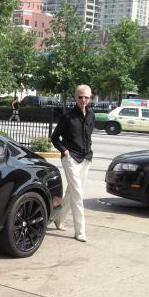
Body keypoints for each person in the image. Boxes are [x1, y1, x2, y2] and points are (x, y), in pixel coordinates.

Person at [50, 84, 95, 242]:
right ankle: (80, 231)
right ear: (75, 97)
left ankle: (58, 218)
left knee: (71, 192)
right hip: (70, 158)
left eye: (86, 97)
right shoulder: (68, 116)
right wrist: (64, 151)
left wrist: (89, 151)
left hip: (85, 158)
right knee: (77, 194)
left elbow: (88, 137)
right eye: (80, 97)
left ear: (90, 98)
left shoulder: (91, 115)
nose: (83, 99)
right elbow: (55, 137)